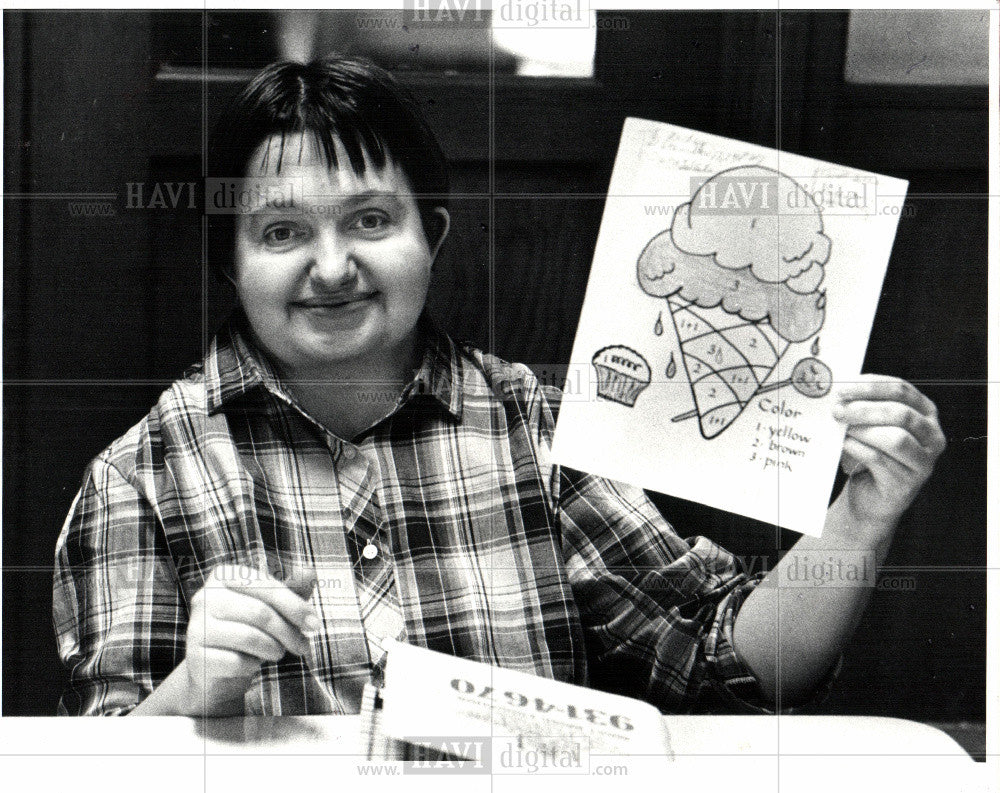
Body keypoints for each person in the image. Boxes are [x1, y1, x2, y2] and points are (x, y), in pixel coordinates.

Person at [52, 57, 946, 717]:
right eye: (282, 232)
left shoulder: (532, 423)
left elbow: (729, 661)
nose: (333, 267)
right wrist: (191, 688)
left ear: (431, 237)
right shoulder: (141, 474)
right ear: (230, 263)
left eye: (370, 219)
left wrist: (861, 517)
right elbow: (93, 770)